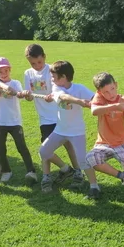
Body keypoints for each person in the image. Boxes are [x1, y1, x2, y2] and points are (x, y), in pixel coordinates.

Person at [38, 61, 97, 194]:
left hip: (77, 132)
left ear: (63, 77)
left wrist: (98, 102)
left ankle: (94, 186)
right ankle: (66, 169)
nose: (52, 80)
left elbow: (95, 97)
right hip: (60, 131)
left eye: (54, 77)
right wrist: (80, 102)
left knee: (82, 160)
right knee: (43, 151)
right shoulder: (56, 88)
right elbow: (64, 97)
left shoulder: (79, 88)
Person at [22, 43, 76, 186]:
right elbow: (29, 97)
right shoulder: (28, 73)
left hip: (60, 115)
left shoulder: (52, 70)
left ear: (44, 57)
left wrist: (53, 94)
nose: (37, 65)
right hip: (45, 119)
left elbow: (59, 87)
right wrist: (27, 95)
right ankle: (51, 175)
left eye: (39, 62)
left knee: (69, 145)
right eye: (33, 63)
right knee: (45, 148)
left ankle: (77, 172)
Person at [85, 72, 124, 199]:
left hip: (122, 142)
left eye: (112, 89)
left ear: (116, 85)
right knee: (89, 159)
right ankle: (120, 177)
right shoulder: (99, 98)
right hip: (103, 143)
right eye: (106, 92)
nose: (111, 94)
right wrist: (114, 106)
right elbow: (94, 111)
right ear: (99, 92)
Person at [0, 57, 37, 185]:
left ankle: (31, 171)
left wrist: (25, 94)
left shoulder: (15, 83)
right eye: (0, 72)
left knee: (21, 147)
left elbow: (23, 95)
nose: (3, 74)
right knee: (0, 149)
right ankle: (6, 171)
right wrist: (7, 88)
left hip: (15, 122)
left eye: (6, 71)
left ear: (10, 69)